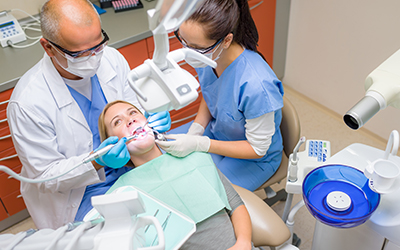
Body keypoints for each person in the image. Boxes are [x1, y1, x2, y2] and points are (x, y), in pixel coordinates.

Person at [6, 0, 170, 229]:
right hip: (81, 193)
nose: (94, 57)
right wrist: (96, 161)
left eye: (98, 45)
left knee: (169, 209)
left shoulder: (111, 58)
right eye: (80, 53)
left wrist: (148, 118)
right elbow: (46, 177)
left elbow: (132, 106)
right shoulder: (27, 103)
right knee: (126, 233)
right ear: (48, 47)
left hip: (132, 166)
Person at [156, 0, 284, 191]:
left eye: (196, 47)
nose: (188, 53)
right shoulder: (209, 56)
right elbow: (212, 94)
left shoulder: (257, 86)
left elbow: (258, 149)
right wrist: (196, 130)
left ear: (226, 40)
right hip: (219, 133)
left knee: (201, 191)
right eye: (183, 41)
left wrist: (200, 143)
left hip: (254, 158)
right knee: (162, 156)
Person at [98, 100, 259, 250]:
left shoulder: (194, 156)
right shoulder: (121, 195)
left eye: (133, 113)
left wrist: (243, 243)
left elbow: (235, 205)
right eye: (117, 122)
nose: (130, 120)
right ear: (111, 144)